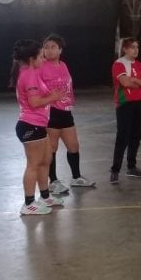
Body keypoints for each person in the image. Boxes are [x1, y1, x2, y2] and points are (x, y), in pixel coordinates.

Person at [11, 39, 65, 215]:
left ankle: (45, 196)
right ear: (32, 58)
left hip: (39, 125)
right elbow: (34, 102)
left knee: (45, 161)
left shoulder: (31, 72)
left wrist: (50, 94)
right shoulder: (29, 75)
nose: (44, 59)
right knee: (33, 164)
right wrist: (53, 97)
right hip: (30, 125)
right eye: (41, 56)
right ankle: (28, 204)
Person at [40, 34, 95, 195]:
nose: (49, 50)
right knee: (52, 148)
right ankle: (53, 181)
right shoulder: (41, 66)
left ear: (60, 50)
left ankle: (76, 177)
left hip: (66, 111)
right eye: (46, 47)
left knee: (73, 146)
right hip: (51, 112)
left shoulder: (63, 65)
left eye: (53, 47)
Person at [110, 37, 141, 184]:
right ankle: (115, 170)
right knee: (123, 137)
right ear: (125, 49)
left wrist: (135, 81)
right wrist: (136, 81)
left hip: (140, 103)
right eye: (133, 47)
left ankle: (131, 166)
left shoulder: (139, 65)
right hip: (125, 104)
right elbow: (125, 82)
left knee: (136, 136)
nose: (136, 50)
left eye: (137, 47)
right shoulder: (119, 64)